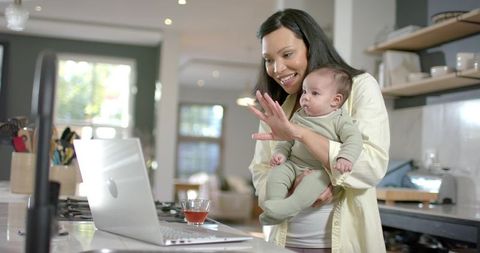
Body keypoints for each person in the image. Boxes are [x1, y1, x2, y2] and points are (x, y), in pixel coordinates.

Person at [248, 8, 390, 253]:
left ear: (312, 46)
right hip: (280, 243)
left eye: (287, 54)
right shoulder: (278, 105)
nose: (277, 68)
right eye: (269, 59)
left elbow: (372, 164)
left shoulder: (361, 87)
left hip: (339, 245)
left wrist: (300, 134)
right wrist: (288, 189)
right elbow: (260, 171)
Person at [261, 66, 362, 226]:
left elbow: (355, 139)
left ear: (335, 100)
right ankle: (275, 206)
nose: (306, 97)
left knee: (312, 184)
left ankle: (288, 207)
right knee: (277, 173)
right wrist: (281, 154)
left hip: (319, 170)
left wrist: (346, 157)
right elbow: (287, 140)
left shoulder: (340, 119)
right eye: (305, 91)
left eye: (314, 93)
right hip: (293, 164)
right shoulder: (299, 115)